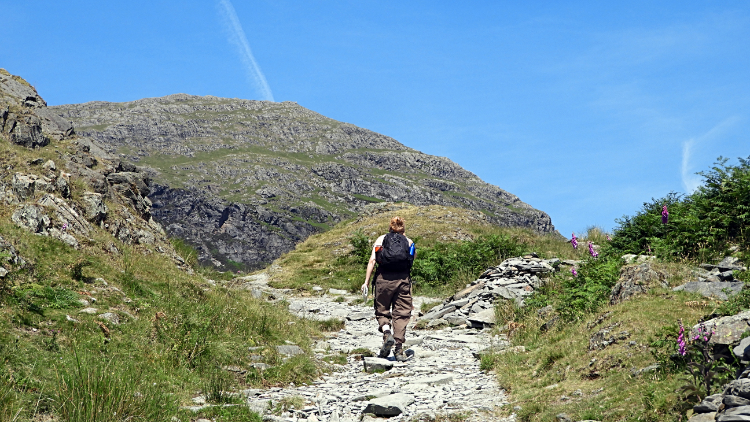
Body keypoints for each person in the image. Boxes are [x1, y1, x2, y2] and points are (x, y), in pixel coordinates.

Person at [361, 216, 415, 361]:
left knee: (382, 309)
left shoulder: (381, 239)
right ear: (403, 228)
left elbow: (372, 261)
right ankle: (398, 349)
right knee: (402, 314)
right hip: (403, 280)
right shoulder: (409, 242)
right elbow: (411, 262)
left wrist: (366, 282)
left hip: (383, 279)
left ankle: (386, 333)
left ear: (390, 227)